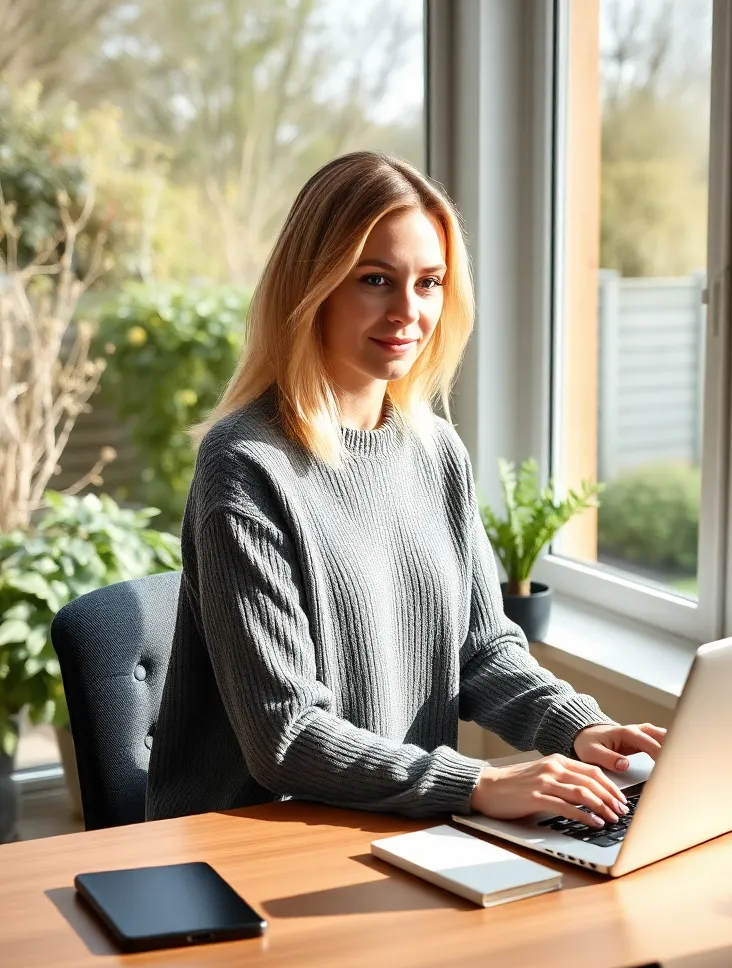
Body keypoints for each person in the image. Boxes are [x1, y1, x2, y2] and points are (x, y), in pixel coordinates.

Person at [146, 151, 665, 828]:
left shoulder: (435, 452)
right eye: (375, 279)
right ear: (314, 286)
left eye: (429, 283)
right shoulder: (246, 464)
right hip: (257, 846)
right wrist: (478, 783)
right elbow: (286, 737)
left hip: (403, 827)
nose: (408, 312)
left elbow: (482, 650)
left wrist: (576, 730)